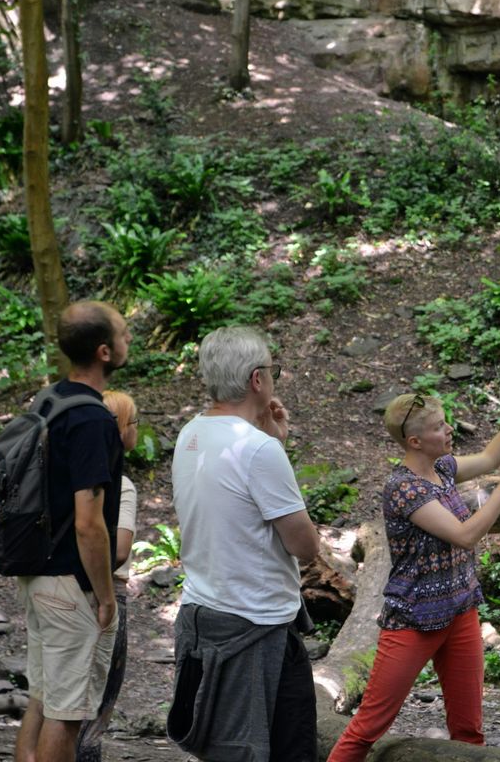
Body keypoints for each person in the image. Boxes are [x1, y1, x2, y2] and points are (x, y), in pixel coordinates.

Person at [326, 377, 500, 762]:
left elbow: (492, 458)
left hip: (460, 611)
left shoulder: (442, 468)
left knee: (469, 730)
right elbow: (464, 535)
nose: (448, 430)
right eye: (439, 426)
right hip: (414, 621)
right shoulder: (404, 488)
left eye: (446, 422)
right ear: (414, 442)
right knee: (367, 728)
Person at [169, 326, 321, 761]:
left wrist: (273, 441)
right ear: (258, 379)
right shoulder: (257, 449)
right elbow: (304, 546)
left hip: (203, 610)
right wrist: (274, 447)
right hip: (256, 622)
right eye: (273, 370)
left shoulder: (190, 434)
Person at [15, 301, 132, 762]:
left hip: (37, 573)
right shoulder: (91, 419)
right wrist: (104, 595)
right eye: (123, 334)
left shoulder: (48, 399)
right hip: (70, 584)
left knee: (44, 699)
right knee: (66, 714)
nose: (129, 341)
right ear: (104, 351)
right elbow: (89, 524)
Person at [75, 390, 140, 761]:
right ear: (118, 430)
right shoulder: (121, 485)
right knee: (98, 701)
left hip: (62, 588)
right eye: (133, 423)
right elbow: (120, 549)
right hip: (106, 591)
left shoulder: (73, 476)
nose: (136, 430)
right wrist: (106, 597)